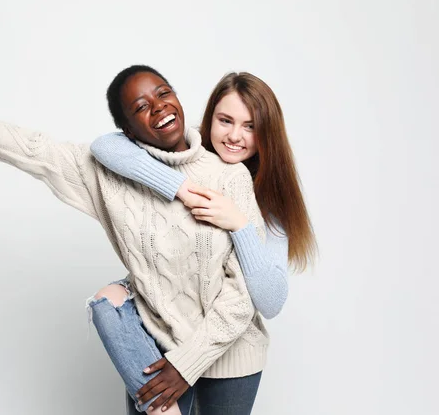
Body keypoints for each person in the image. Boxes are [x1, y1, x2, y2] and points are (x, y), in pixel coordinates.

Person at [0, 65, 269, 415]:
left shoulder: (228, 177)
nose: (159, 108)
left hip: (232, 353)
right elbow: (34, 149)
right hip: (157, 350)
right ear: (126, 130)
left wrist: (188, 365)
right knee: (109, 301)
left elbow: (243, 293)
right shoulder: (107, 175)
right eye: (141, 107)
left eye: (164, 93)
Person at [86, 72, 317, 414]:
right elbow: (105, 146)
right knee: (110, 301)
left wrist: (239, 224)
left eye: (250, 126)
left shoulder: (271, 202)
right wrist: (178, 186)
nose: (235, 136)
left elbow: (268, 301)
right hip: (168, 334)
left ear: (267, 133)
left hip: (231, 352)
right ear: (210, 119)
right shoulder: (185, 156)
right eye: (225, 121)